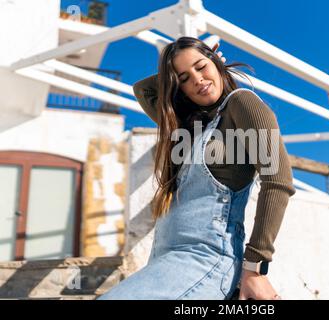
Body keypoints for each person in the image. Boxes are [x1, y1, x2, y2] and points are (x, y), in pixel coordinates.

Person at [98, 36, 296, 300]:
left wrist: (255, 268)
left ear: (216, 61)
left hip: (206, 261)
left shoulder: (243, 104)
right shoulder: (188, 128)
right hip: (165, 261)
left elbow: (278, 181)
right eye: (184, 78)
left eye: (201, 67)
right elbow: (144, 91)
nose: (197, 80)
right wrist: (184, 70)